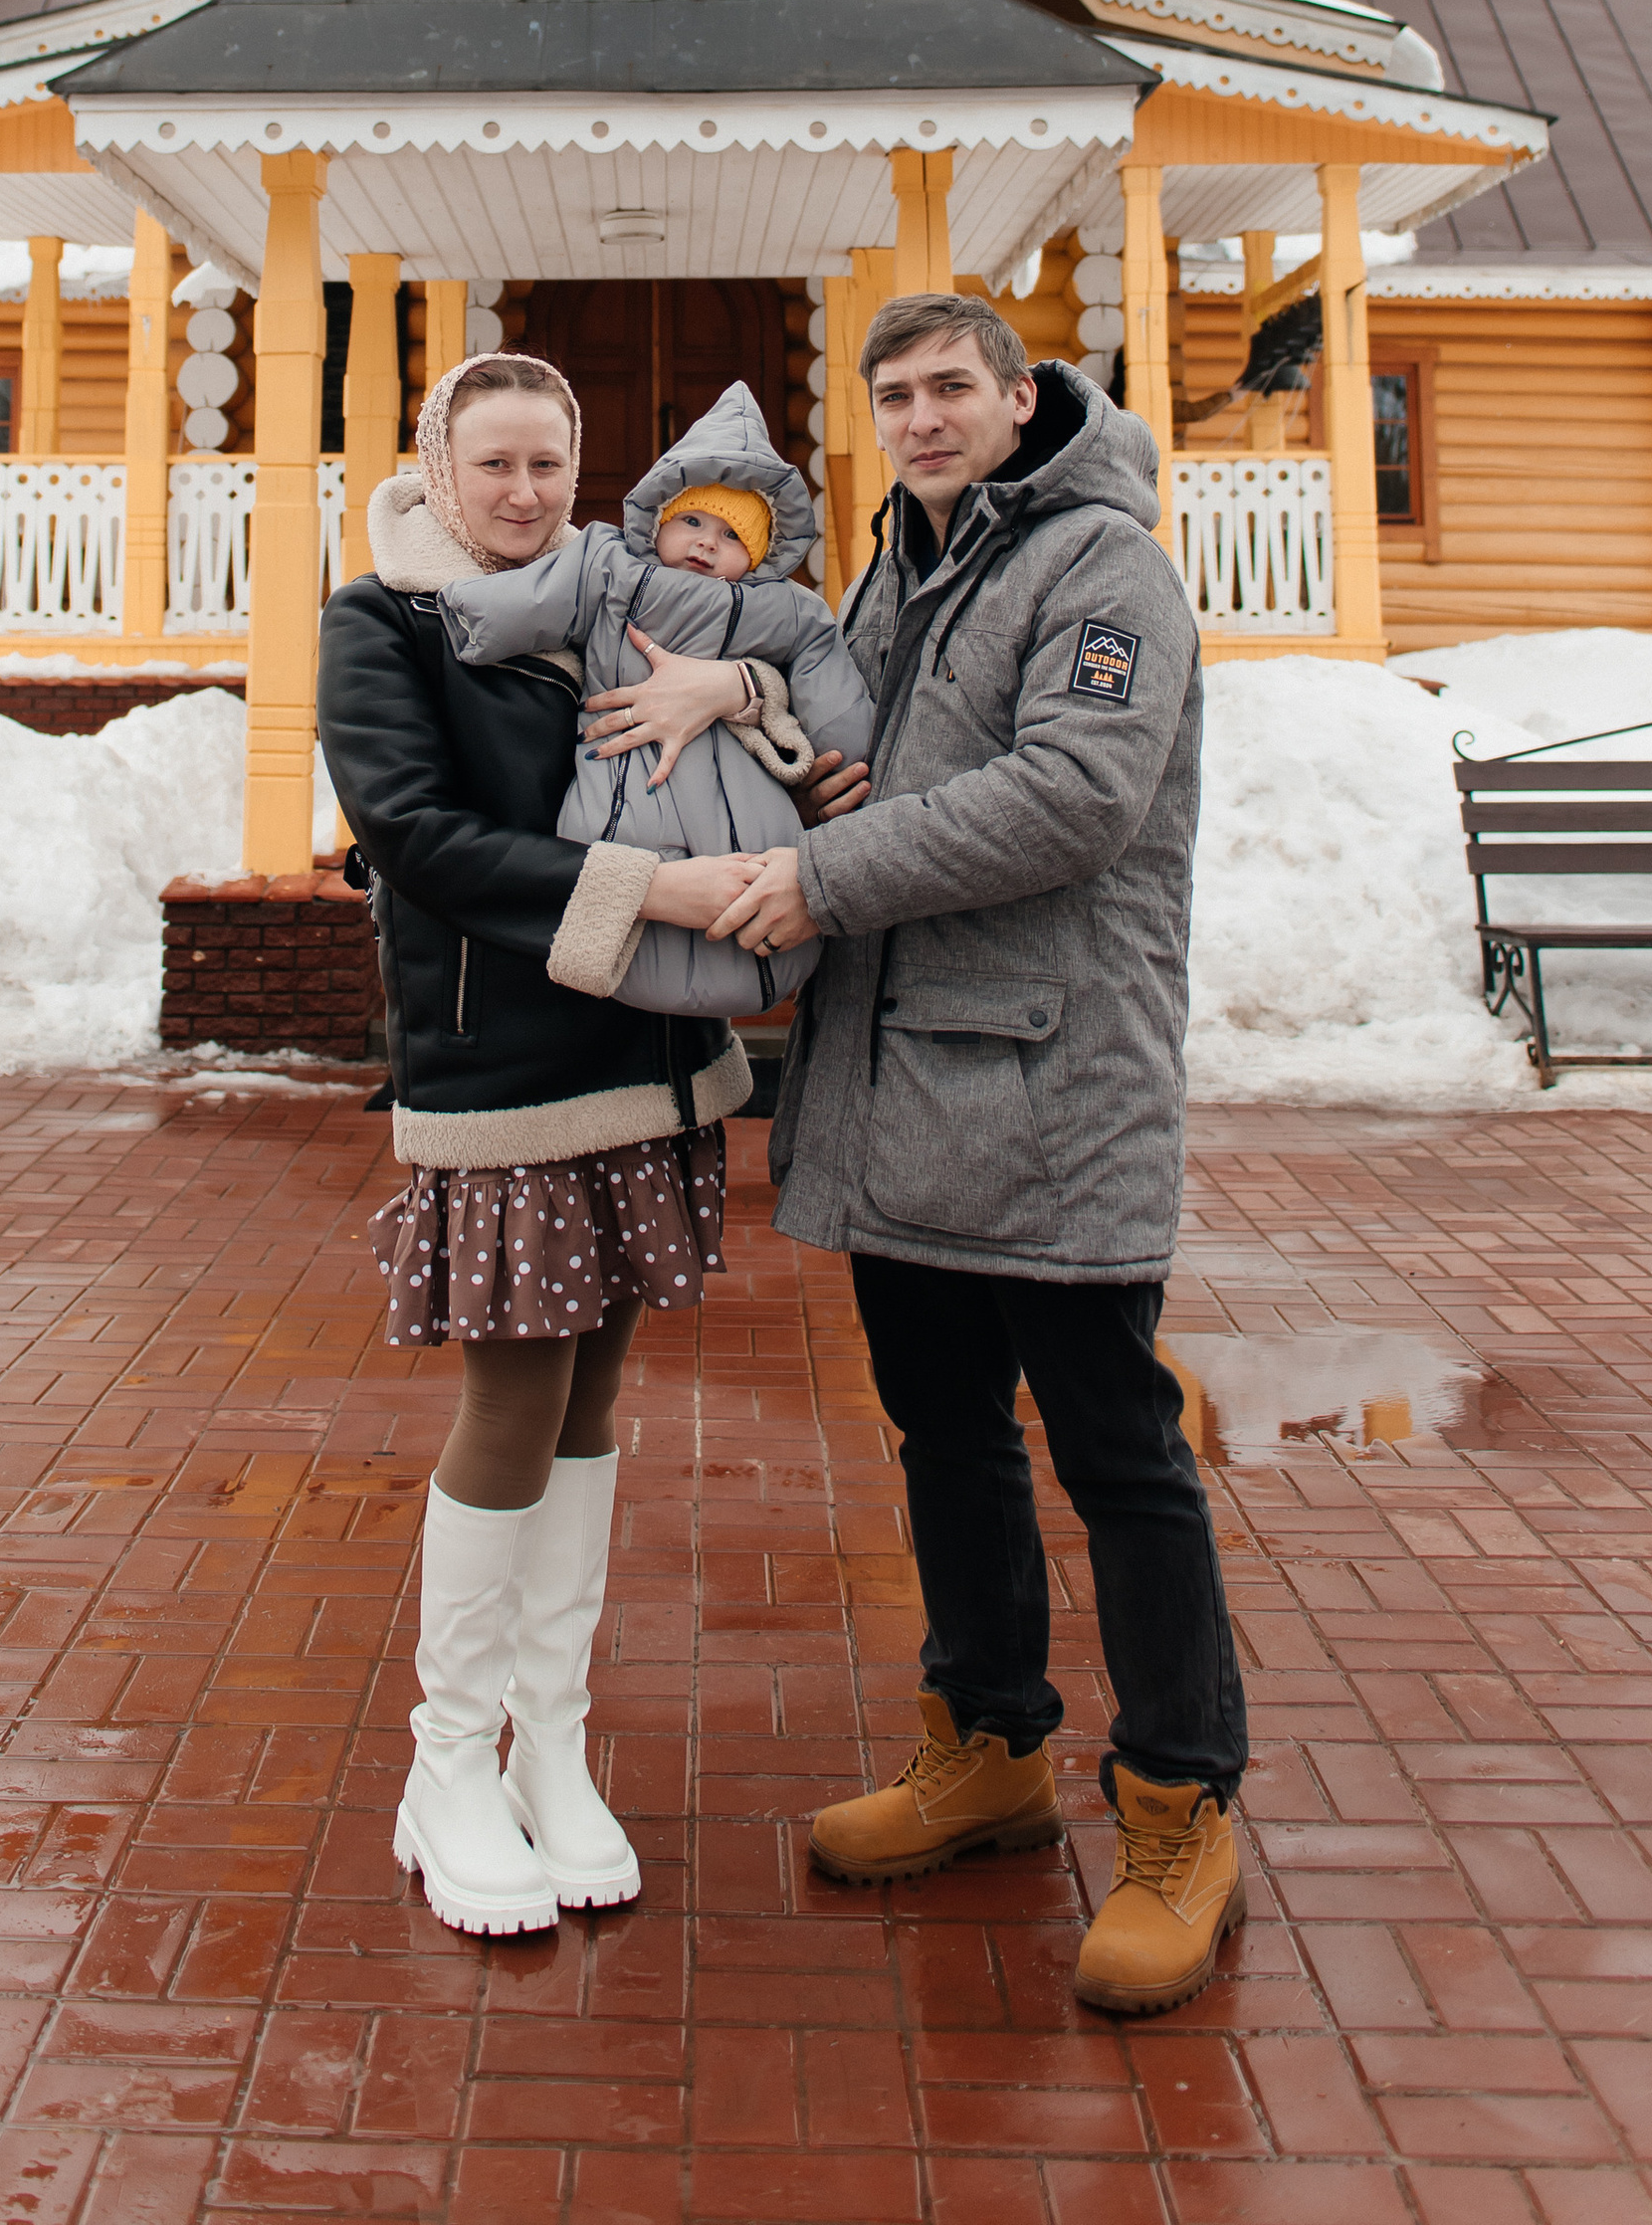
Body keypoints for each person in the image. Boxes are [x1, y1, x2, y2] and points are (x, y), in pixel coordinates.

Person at [708, 290, 1248, 2018]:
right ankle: (991, 1746)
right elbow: (885, 766)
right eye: (897, 392)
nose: (924, 415)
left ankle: (1179, 1806)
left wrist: (829, 874)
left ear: (1023, 401)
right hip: (904, 1077)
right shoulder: (897, 566)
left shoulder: (1104, 570)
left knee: (1118, 1451)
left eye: (954, 387)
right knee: (944, 1431)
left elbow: (1075, 796)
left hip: (1057, 1076)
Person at [316, 348, 789, 1940]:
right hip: (503, 1065)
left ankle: (552, 1745)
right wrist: (645, 895)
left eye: (547, 467)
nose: (523, 495)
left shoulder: (617, 593)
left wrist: (734, 686)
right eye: (494, 464)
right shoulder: (386, 618)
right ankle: (445, 1763)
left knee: (596, 1395)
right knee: (515, 1397)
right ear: (436, 468)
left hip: (644, 1059)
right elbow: (415, 833)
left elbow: (762, 700)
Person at [435, 377, 872, 1018]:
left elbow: (826, 679)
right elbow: (537, 600)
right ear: (660, 516)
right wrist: (468, 615)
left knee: (749, 869)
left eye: (730, 536)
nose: (703, 542)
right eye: (691, 520)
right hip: (623, 769)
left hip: (733, 781)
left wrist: (774, 706)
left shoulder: (783, 607)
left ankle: (760, 975)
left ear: (758, 554)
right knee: (614, 847)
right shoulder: (609, 567)